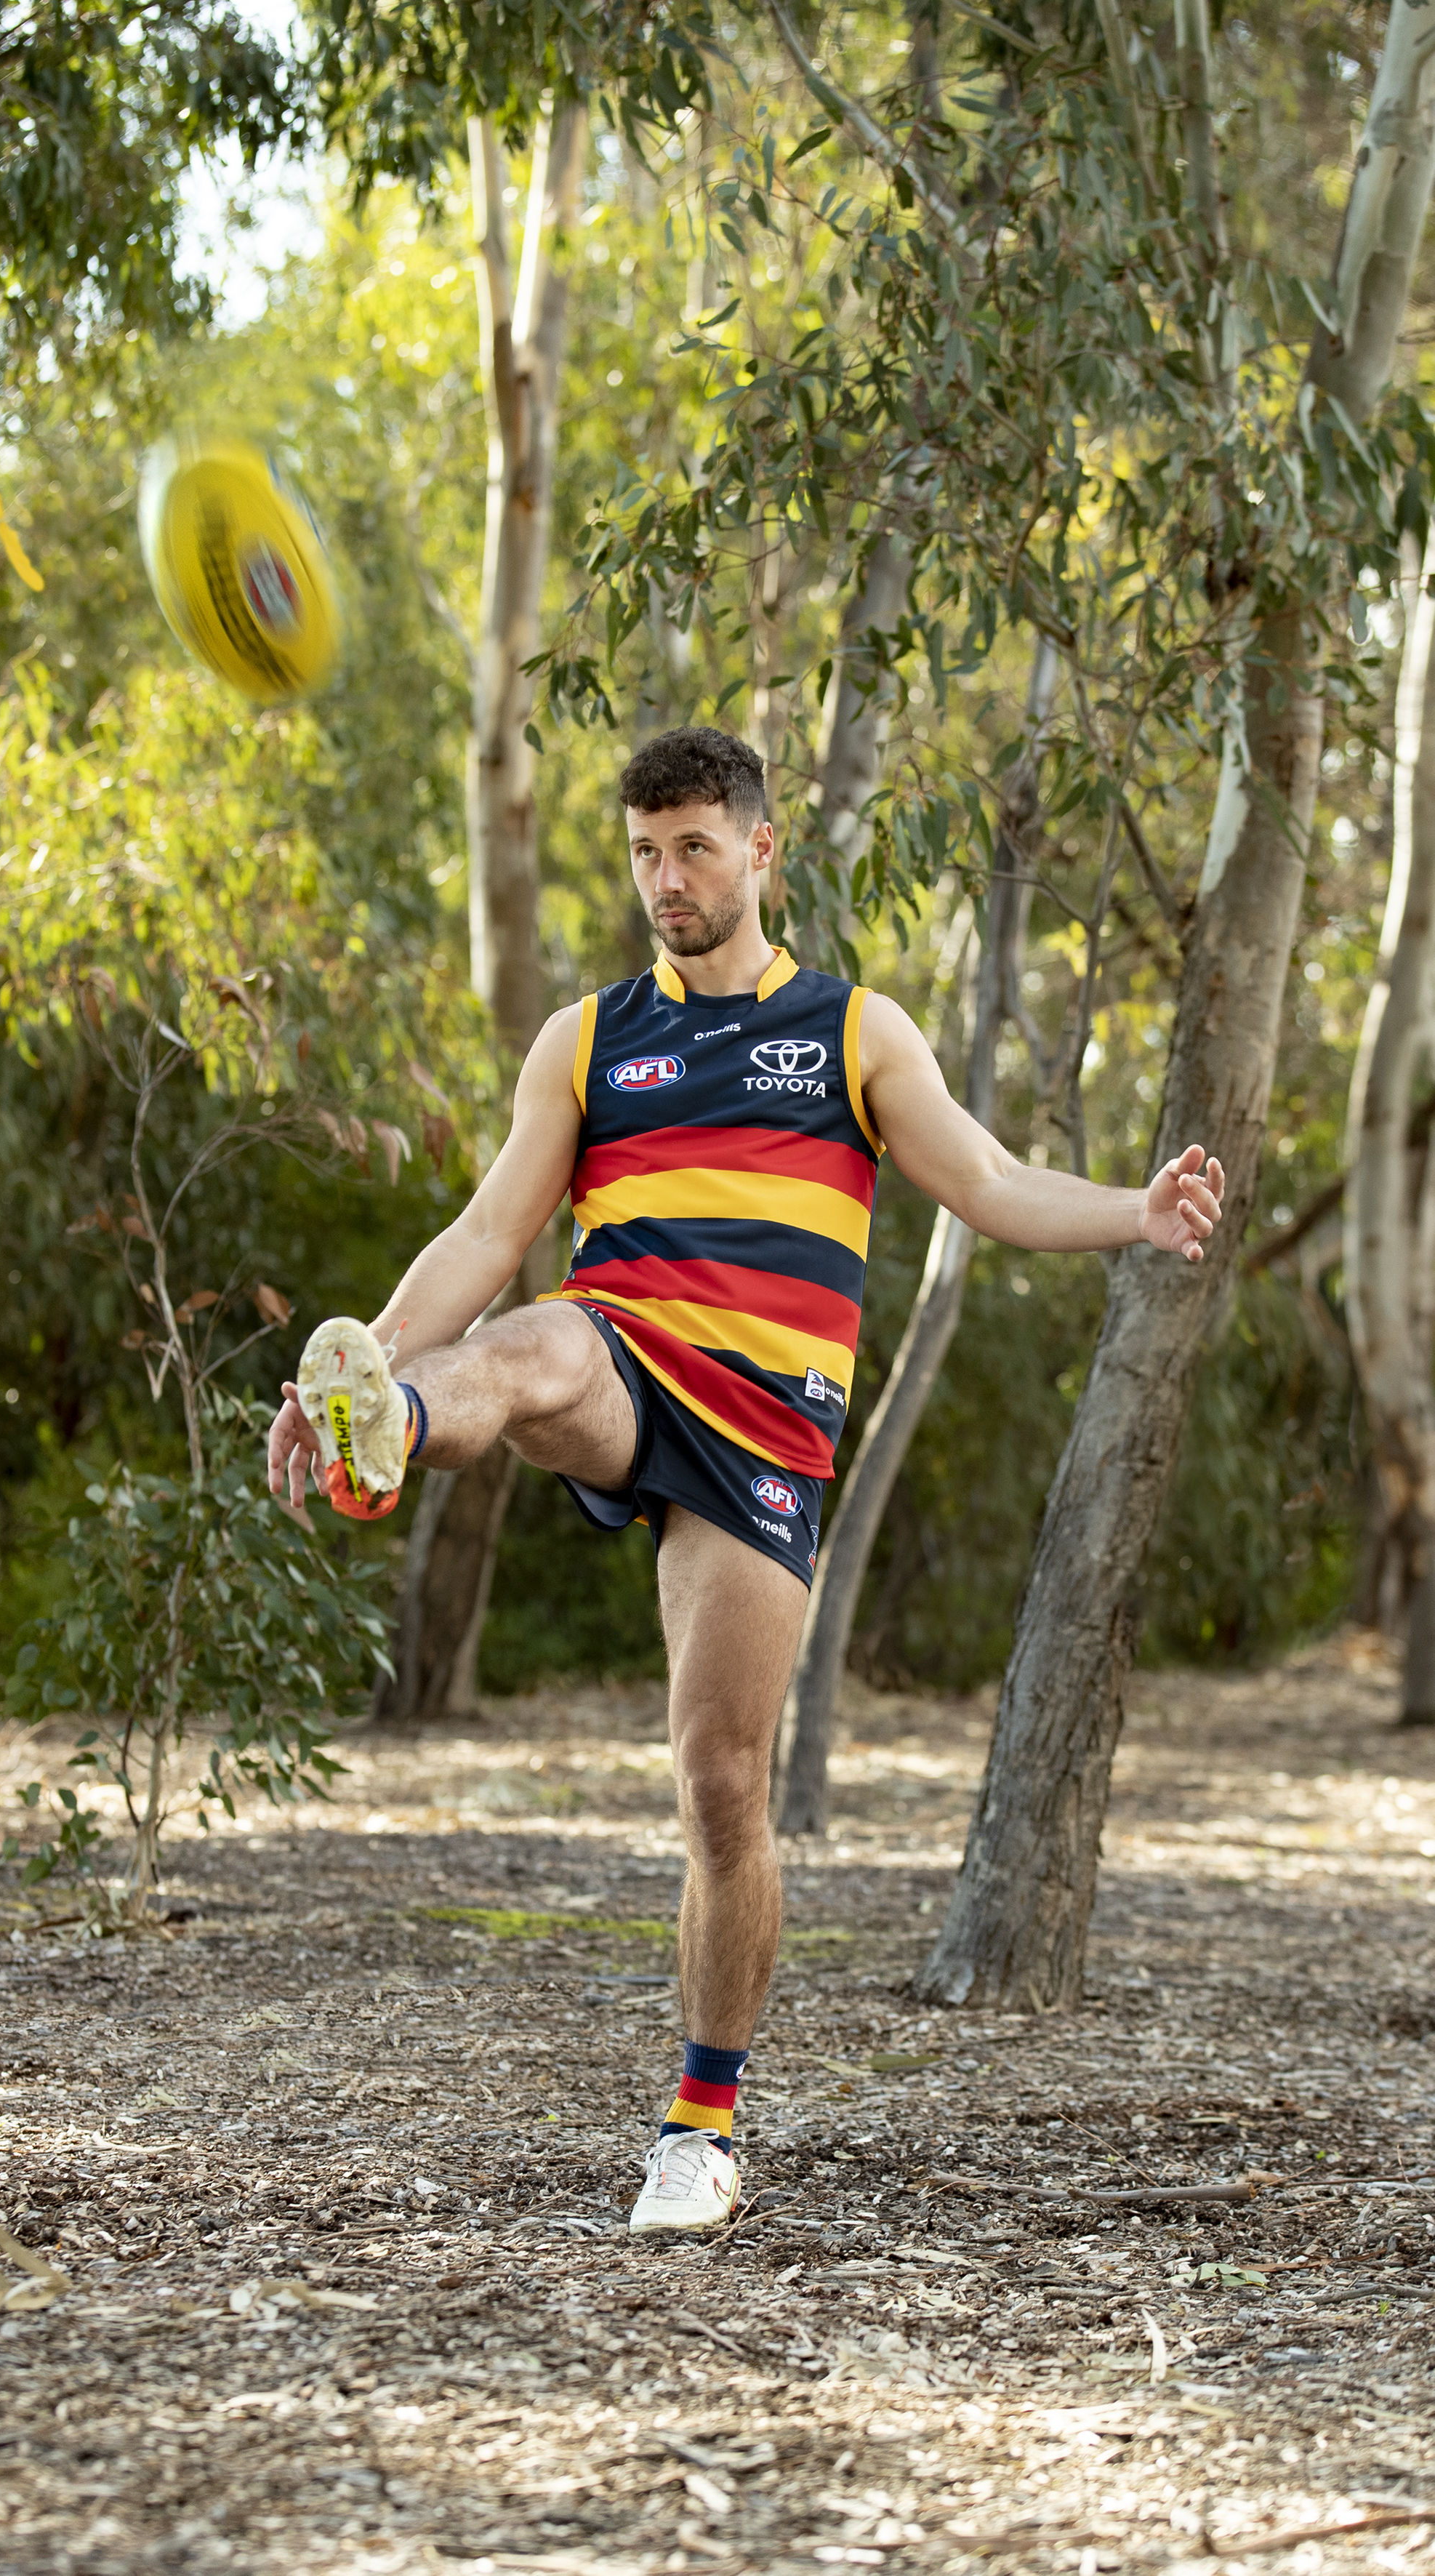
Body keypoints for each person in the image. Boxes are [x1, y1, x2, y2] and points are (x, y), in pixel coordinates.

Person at [266, 726, 1225, 2237]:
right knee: (527, 1349)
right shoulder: (587, 1041)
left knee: (721, 1781)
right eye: (645, 852)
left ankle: (700, 2126)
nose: (667, 879)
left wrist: (1135, 1210)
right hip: (621, 1354)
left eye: (694, 846)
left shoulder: (850, 1031)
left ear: (760, 850)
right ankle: (377, 1424)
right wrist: (372, 1353)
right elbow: (479, 1232)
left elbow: (980, 1180)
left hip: (764, 1431)